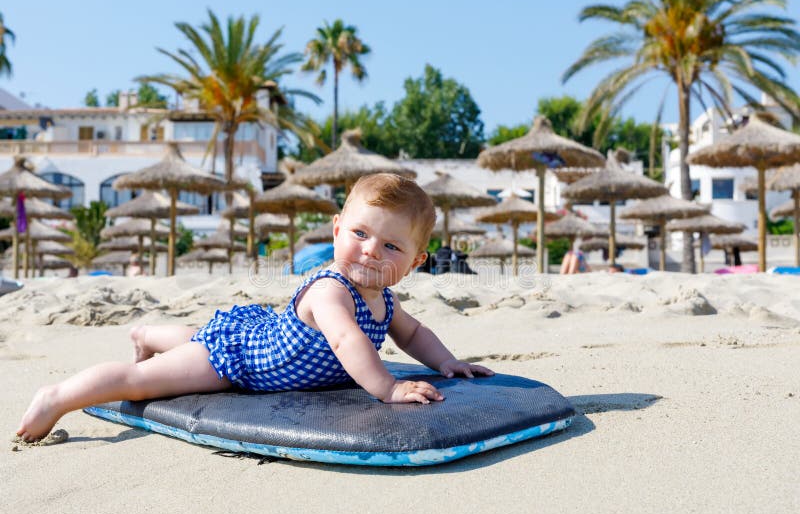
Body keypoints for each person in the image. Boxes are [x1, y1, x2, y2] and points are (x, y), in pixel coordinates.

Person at [17, 173, 493, 442]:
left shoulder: (385, 299)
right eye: (360, 235)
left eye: (391, 246)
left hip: (263, 337)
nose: (370, 251)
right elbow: (347, 340)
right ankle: (55, 397)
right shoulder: (330, 292)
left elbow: (412, 333)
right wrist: (387, 388)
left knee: (192, 339)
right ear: (335, 232)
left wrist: (445, 361)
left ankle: (148, 334)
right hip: (244, 362)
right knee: (145, 381)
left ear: (415, 263)